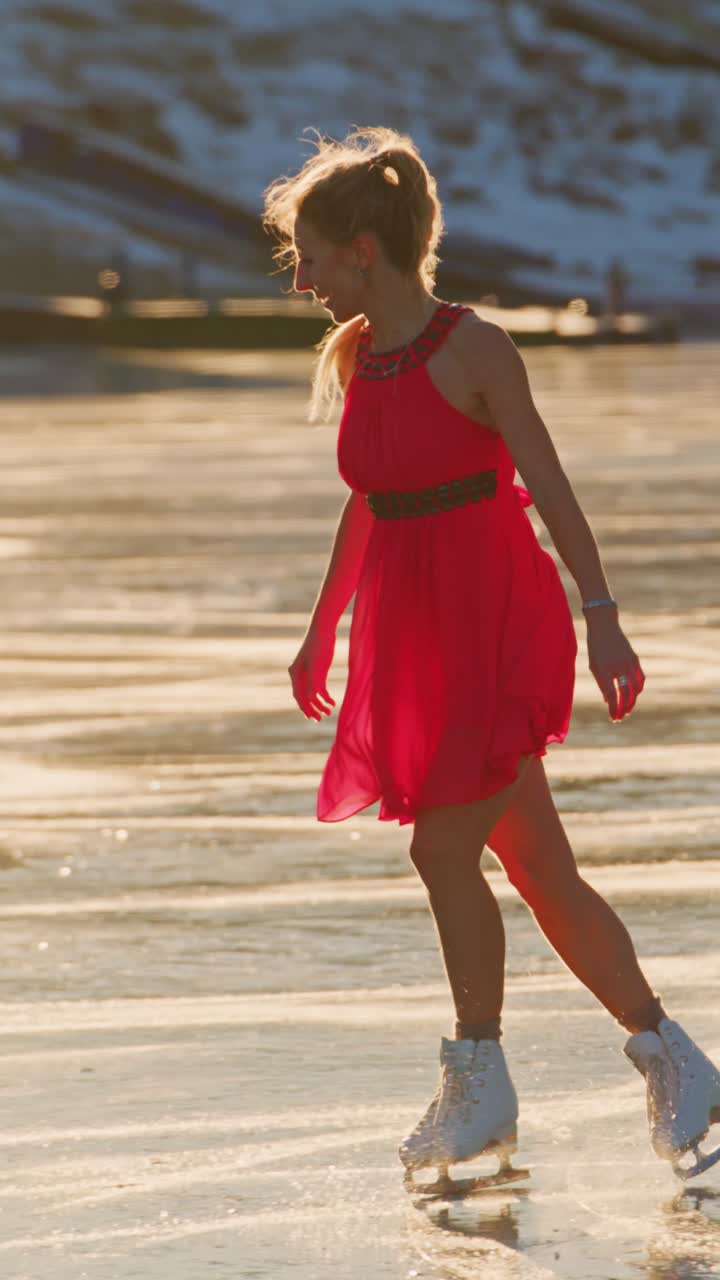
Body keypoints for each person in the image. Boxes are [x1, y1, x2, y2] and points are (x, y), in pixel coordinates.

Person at [262, 125, 720, 1191]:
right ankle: (680, 1065)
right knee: (539, 867)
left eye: (312, 256)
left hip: (495, 617)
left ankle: (480, 1077)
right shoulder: (361, 352)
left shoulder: (478, 349)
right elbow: (373, 501)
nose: (302, 278)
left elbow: (550, 486)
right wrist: (321, 625)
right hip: (412, 625)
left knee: (440, 849)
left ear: (365, 248)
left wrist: (603, 613)